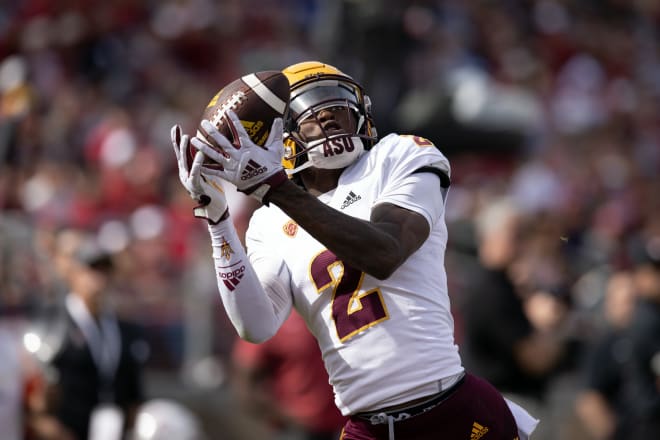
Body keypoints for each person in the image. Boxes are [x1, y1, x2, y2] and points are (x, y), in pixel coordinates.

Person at [171, 61, 538, 440]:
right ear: (279, 135)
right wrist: (219, 224)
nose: (328, 113)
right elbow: (256, 326)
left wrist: (276, 188)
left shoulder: (399, 155)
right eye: (310, 108)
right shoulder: (268, 222)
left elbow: (385, 253)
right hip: (367, 427)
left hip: (447, 407)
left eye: (337, 103)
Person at [25, 230, 147, 440]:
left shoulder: (124, 330)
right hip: (69, 430)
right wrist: (52, 428)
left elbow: (133, 391)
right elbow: (37, 395)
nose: (98, 278)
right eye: (91, 269)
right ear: (74, 273)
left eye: (104, 271)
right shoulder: (52, 324)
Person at [232, 309, 346, 440]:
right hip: (298, 429)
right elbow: (246, 379)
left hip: (350, 423)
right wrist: (280, 415)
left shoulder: (338, 305)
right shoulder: (274, 313)